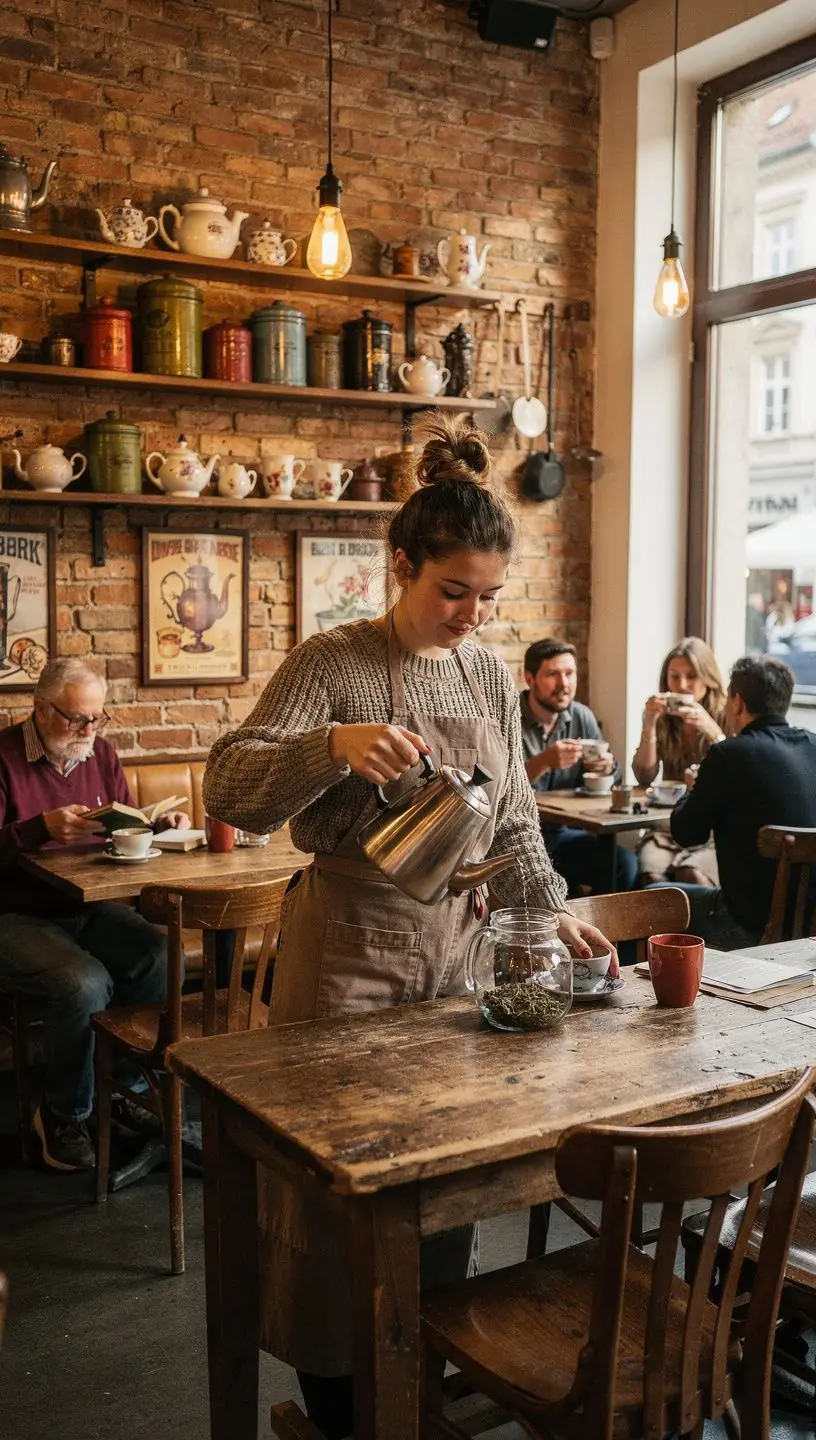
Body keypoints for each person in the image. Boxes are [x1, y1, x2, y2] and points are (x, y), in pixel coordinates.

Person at [204, 417, 617, 1440]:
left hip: (454, 957)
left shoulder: (486, 674)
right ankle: (344, 1407)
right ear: (401, 566)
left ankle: (421, 1380)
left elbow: (515, 817)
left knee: (446, 1177)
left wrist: (545, 911)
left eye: (488, 596)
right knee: (334, 1199)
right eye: (453, 592)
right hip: (345, 951)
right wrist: (332, 744)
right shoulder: (335, 659)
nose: (472, 614)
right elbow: (233, 786)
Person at [0, 659, 189, 1171]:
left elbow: (120, 825)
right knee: (84, 983)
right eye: (75, 720)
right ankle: (62, 1113)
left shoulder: (100, 754)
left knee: (157, 953)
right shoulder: (3, 756)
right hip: (16, 912)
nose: (88, 731)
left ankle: (123, 1089)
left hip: (91, 905)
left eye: (96, 719)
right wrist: (37, 829)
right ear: (40, 709)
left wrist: (158, 826)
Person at [669, 655, 816, 949]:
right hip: (809, 926)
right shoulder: (813, 745)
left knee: (652, 898)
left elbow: (686, 834)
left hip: (746, 925)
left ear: (737, 702)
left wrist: (691, 789)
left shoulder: (728, 755)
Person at [520, 637, 637, 896]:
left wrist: (608, 769)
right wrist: (543, 762)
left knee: (623, 864)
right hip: (521, 837)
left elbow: (612, 781)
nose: (564, 684)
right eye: (553, 674)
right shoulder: (510, 717)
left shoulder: (581, 716)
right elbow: (500, 788)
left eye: (570, 674)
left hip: (564, 834)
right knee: (560, 885)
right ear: (530, 678)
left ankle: (604, 935)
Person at [632, 637, 727, 886]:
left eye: (691, 676)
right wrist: (649, 724)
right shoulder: (664, 717)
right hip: (670, 824)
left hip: (714, 830)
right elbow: (644, 775)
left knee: (691, 874)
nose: (682, 685)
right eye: (674, 677)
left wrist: (712, 731)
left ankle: (711, 926)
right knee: (650, 877)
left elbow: (739, 771)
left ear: (707, 678)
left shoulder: (725, 712)